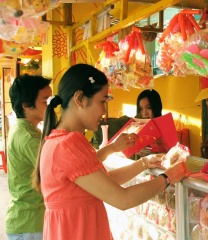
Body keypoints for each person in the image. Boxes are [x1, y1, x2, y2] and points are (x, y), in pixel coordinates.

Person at [32, 64, 187, 239]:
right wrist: (167, 178)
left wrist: (143, 163)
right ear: (80, 99)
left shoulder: (60, 140)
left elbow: (105, 183)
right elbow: (123, 199)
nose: (104, 111)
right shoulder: (67, 144)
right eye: (102, 101)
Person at [6, 74, 52, 240]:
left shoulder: (24, 129)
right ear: (27, 105)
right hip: (30, 223)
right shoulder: (28, 137)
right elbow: (59, 170)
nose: (51, 106)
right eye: (45, 101)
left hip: (27, 221)